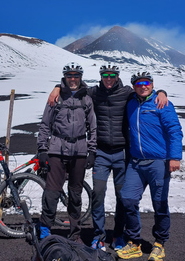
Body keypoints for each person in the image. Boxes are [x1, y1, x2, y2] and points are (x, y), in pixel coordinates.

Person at [47, 63, 168, 251]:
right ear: (101, 76)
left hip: (122, 153)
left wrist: (161, 91)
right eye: (105, 75)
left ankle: (119, 234)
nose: (109, 78)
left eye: (112, 75)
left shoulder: (127, 92)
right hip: (102, 153)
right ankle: (99, 236)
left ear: (118, 76)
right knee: (98, 194)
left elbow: (143, 91)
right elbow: (74, 85)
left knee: (122, 197)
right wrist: (56, 87)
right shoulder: (93, 92)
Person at [117, 71, 183, 261]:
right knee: (128, 199)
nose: (143, 86)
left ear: (152, 84)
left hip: (158, 163)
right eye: (138, 83)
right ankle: (134, 243)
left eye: (147, 82)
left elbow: (175, 131)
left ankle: (160, 244)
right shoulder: (130, 103)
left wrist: (175, 157)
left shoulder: (162, 103)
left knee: (160, 204)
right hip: (136, 163)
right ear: (133, 86)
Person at [37, 62, 97, 243]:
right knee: (51, 192)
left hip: (79, 151)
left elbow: (93, 126)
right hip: (57, 150)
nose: (73, 79)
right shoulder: (56, 97)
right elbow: (45, 125)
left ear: (81, 77)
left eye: (76, 75)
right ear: (64, 77)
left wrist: (92, 150)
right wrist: (42, 149)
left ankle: (74, 233)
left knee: (75, 194)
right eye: (70, 75)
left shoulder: (86, 98)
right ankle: (45, 230)